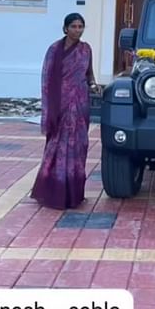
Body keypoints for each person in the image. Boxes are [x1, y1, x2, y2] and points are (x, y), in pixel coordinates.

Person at [31, 13, 98, 209]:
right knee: (57, 147)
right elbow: (47, 78)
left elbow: (89, 73)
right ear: (65, 28)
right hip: (60, 106)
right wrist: (50, 108)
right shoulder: (54, 49)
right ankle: (55, 190)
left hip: (80, 105)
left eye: (80, 26)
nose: (77, 30)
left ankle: (74, 193)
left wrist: (93, 85)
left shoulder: (86, 50)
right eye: (74, 26)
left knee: (79, 146)